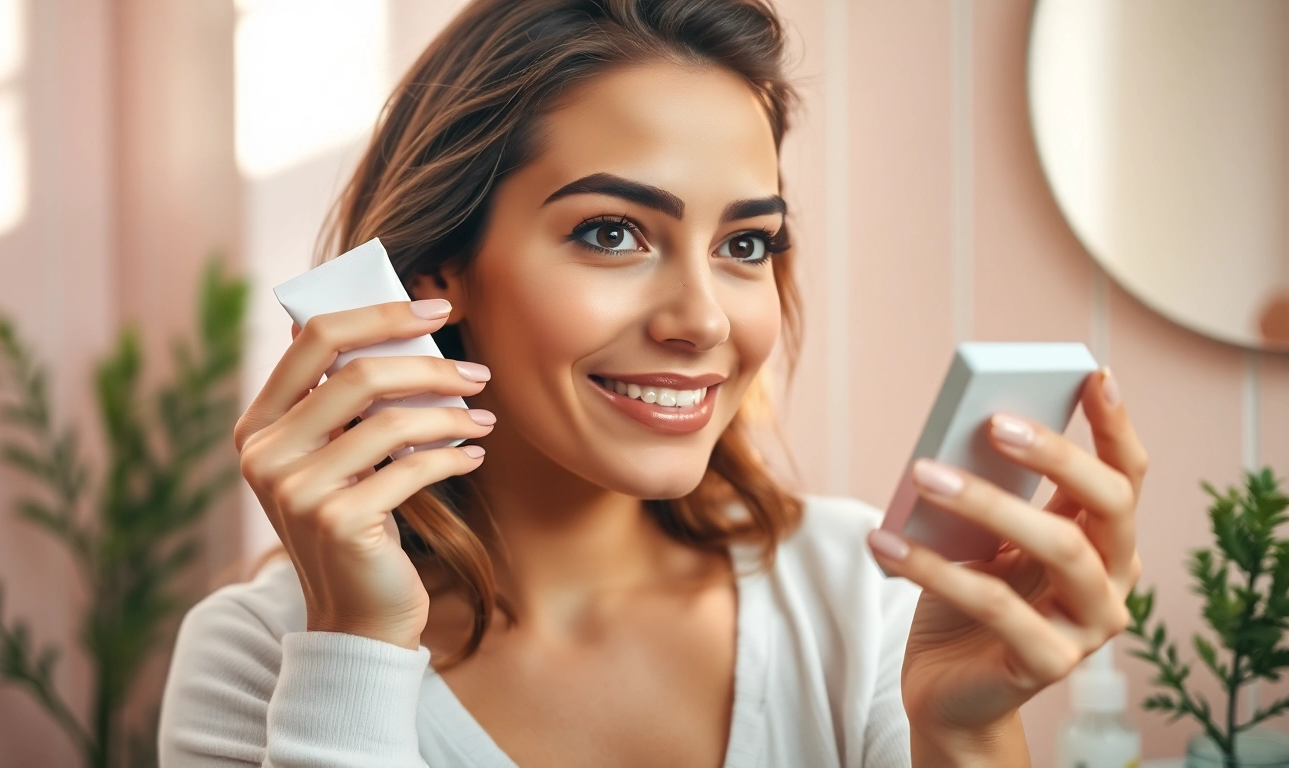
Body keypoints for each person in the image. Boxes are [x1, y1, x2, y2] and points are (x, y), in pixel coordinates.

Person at [158, 0, 1147, 765]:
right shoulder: (265, 653)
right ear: (434, 276)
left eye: (747, 243)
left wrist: (965, 737)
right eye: (611, 233)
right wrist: (359, 647)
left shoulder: (865, 597)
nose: (705, 321)